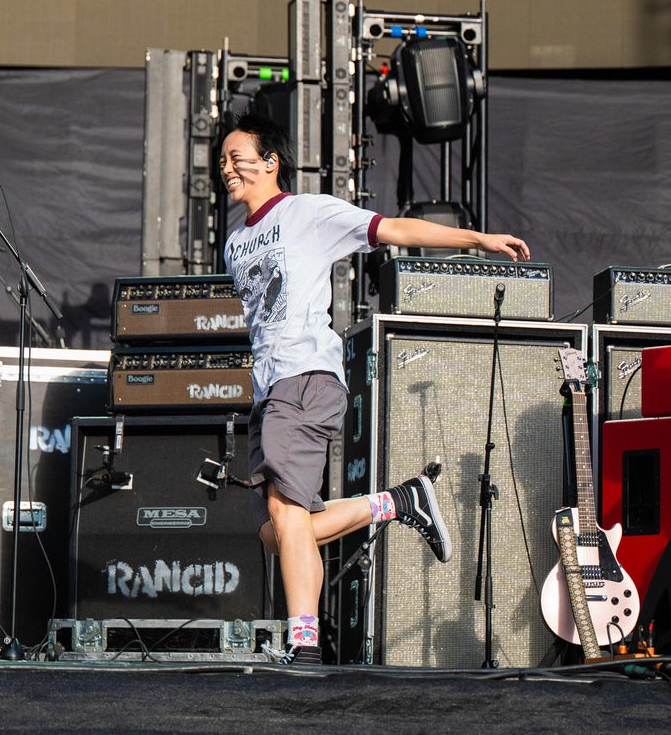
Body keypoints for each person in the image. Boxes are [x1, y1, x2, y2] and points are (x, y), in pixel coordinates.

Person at [220, 111, 531, 665]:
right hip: (269, 391)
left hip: (304, 377)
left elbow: (394, 229)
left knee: (287, 517)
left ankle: (304, 645)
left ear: (270, 162)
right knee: (278, 532)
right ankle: (398, 501)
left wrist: (476, 239)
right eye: (221, 160)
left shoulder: (306, 212)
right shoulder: (234, 242)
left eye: (236, 157)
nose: (226, 168)